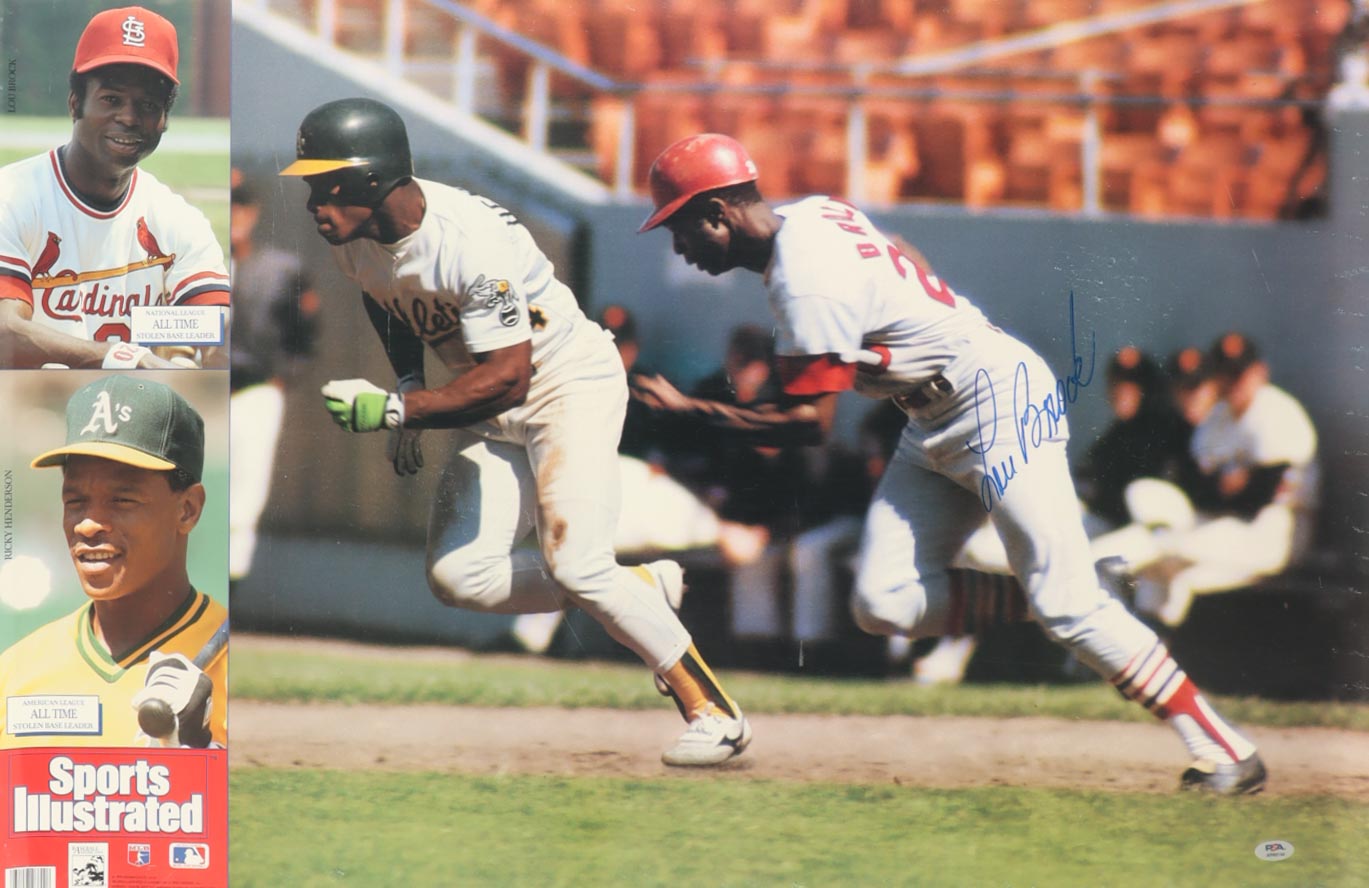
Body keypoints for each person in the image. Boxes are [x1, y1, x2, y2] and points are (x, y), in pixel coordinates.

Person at [631, 132, 1266, 794]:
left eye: (679, 226)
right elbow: (901, 250)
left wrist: (691, 412)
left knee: (1069, 607)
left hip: (994, 399)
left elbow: (805, 426)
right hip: (934, 412)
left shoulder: (803, 282)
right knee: (883, 601)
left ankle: (1226, 750)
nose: (678, 246)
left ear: (717, 214)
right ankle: (1044, 597)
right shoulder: (816, 212)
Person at [279, 98, 750, 767]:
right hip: (496, 403)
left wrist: (399, 411)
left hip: (565, 387)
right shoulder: (356, 239)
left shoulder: (470, 243)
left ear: (371, 178)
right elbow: (384, 298)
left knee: (579, 566)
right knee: (459, 576)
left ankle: (715, 714)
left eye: (324, 184)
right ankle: (635, 591)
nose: (312, 202)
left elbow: (509, 378)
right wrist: (411, 383)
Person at [0, 375, 226, 748]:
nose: (87, 524)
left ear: (187, 509)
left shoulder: (232, 667)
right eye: (75, 501)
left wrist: (201, 753)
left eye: (122, 500)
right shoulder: (15, 671)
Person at [0, 6, 229, 369]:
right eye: (111, 99)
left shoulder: (180, 222)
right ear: (75, 104)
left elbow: (215, 329)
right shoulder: (11, 197)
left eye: (148, 104)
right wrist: (123, 356)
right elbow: (4, 332)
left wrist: (186, 353)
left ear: (164, 119)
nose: (129, 117)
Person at [1093, 333, 1319, 626]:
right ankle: (1149, 644)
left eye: (1239, 373)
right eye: (1225, 373)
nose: (1232, 382)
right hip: (1227, 523)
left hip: (1276, 531)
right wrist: (1232, 484)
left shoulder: (1277, 412)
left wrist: (1229, 485)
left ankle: (1151, 639)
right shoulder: (1218, 416)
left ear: (1260, 372)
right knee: (1160, 569)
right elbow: (1199, 488)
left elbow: (1258, 497)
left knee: (1169, 547)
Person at [228, 169, 320, 586]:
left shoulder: (281, 270)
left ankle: (232, 585)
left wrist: (282, 377)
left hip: (254, 389)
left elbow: (307, 332)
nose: (234, 213)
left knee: (244, 497)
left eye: (240, 204)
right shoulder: (188, 266)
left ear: (252, 211)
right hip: (202, 390)